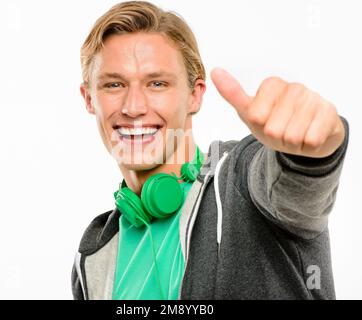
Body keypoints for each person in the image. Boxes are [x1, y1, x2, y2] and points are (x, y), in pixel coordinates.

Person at [72, 1, 349, 300]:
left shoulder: (240, 181)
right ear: (89, 99)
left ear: (194, 95)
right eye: (114, 85)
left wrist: (314, 151)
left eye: (157, 83)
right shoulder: (93, 254)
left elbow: (295, 189)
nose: (133, 107)